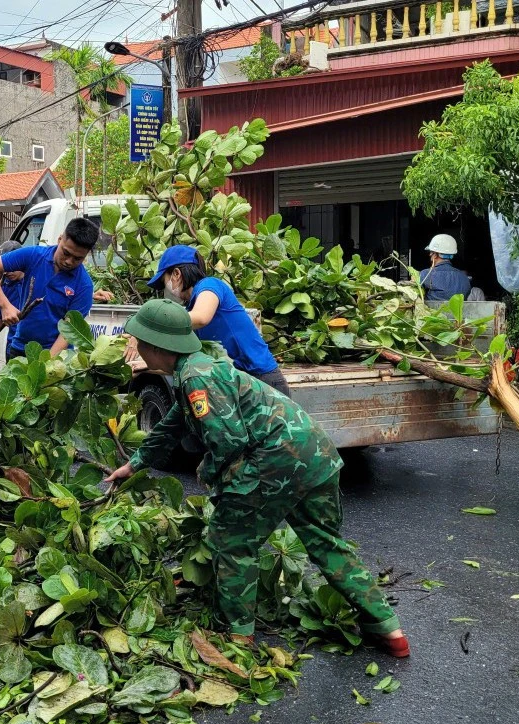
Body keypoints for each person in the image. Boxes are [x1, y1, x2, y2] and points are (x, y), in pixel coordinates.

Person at [104, 300, 409, 657]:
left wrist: (212, 477)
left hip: (277, 461)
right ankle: (389, 631)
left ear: (156, 346)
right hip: (317, 456)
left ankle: (238, 637)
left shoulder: (196, 377)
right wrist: (135, 463)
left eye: (139, 342)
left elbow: (228, 440)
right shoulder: (202, 364)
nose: (137, 349)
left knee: (232, 542)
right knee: (326, 544)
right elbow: (174, 422)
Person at [148, 245, 292, 397]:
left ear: (176, 274)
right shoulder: (190, 311)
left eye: (164, 281)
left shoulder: (210, 285)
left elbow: (202, 317)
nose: (165, 289)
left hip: (262, 380)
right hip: (238, 382)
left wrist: (152, 325)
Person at [0, 218, 98, 358]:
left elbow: (68, 332)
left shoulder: (84, 285)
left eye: (77, 258)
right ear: (60, 240)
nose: (69, 261)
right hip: (20, 349)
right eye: (66, 253)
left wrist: (46, 364)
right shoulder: (34, 256)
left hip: (56, 358)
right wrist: (5, 305)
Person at [0, 240, 28, 354]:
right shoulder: (3, 288)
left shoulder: (35, 281)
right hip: (14, 348)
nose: (8, 272)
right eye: (5, 267)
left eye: (13, 266)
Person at [417, 234, 471, 301]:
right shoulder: (464, 277)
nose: (430, 254)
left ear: (435, 255)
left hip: (434, 311)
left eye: (431, 252)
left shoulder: (425, 274)